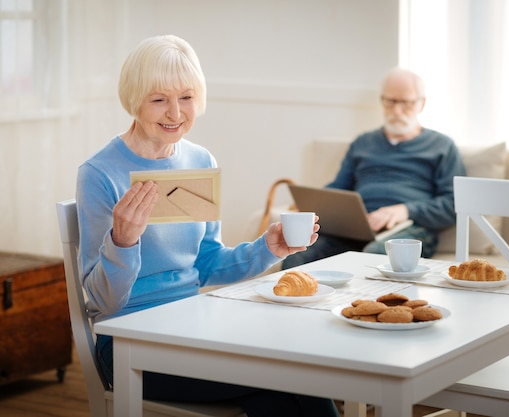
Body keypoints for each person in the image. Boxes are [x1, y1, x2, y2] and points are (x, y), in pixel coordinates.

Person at [76, 35, 339, 417]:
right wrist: (123, 242)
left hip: (193, 325)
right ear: (133, 99)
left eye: (186, 97)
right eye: (158, 99)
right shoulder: (99, 174)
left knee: (282, 389)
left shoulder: (199, 160)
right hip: (127, 343)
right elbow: (103, 301)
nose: (175, 113)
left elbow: (208, 264)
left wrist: (268, 248)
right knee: (288, 375)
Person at [282, 67, 466, 269]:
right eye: (391, 101)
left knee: (375, 255)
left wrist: (405, 210)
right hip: (356, 227)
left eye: (406, 103)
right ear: (382, 100)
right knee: (299, 253)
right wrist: (314, 203)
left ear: (422, 104)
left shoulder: (442, 146)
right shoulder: (363, 143)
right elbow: (339, 187)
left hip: (409, 228)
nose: (397, 111)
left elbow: (453, 204)